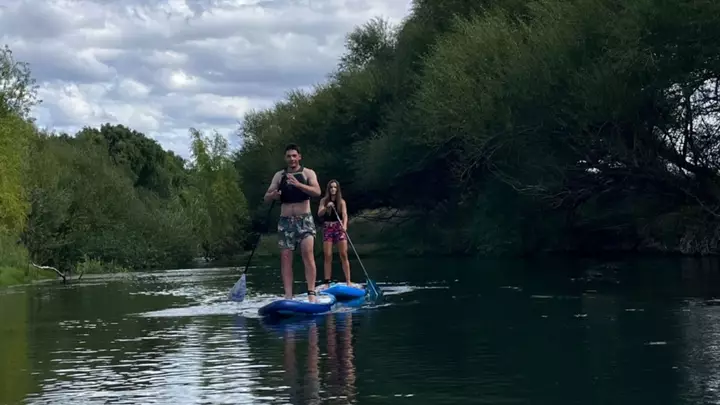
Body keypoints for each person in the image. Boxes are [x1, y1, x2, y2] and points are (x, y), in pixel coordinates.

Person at [264, 143, 322, 302]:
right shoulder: (279, 175)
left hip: (305, 220)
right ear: (285, 158)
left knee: (307, 254)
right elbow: (267, 197)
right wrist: (273, 195)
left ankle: (311, 293)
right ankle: (288, 295)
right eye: (289, 156)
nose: (292, 159)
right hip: (285, 221)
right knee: (285, 257)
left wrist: (298, 185)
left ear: (299, 157)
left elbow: (317, 191)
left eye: (294, 156)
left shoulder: (308, 173)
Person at [317, 179, 352, 287]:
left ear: (337, 189)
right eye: (331, 187)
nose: (333, 189)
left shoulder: (341, 201)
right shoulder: (324, 201)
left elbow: (345, 215)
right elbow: (319, 213)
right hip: (328, 227)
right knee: (327, 255)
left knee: (343, 254)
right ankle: (327, 282)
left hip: (339, 227)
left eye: (335, 187)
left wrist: (344, 226)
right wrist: (326, 207)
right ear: (328, 189)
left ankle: (348, 281)